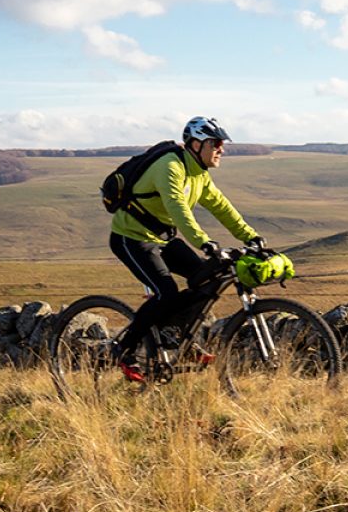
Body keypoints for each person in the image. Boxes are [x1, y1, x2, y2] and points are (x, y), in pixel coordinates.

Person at [108, 116, 264, 381]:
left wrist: (251, 236)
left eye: (221, 144)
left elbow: (221, 207)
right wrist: (203, 242)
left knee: (207, 278)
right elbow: (177, 207)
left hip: (163, 238)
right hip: (131, 237)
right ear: (195, 144)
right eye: (215, 143)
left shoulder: (199, 174)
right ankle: (123, 349)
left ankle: (177, 337)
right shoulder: (169, 166)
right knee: (164, 293)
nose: (221, 150)